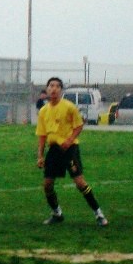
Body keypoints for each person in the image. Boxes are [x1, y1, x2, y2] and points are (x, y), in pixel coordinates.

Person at [36, 77, 108, 227]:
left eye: (57, 86)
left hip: (69, 149)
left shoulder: (69, 107)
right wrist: (40, 156)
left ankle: (99, 214)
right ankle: (57, 214)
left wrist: (69, 140)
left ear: (61, 90)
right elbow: (42, 135)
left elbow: (79, 125)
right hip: (54, 150)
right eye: (51, 86)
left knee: (80, 183)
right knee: (47, 185)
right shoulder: (43, 111)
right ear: (47, 89)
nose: (54, 89)